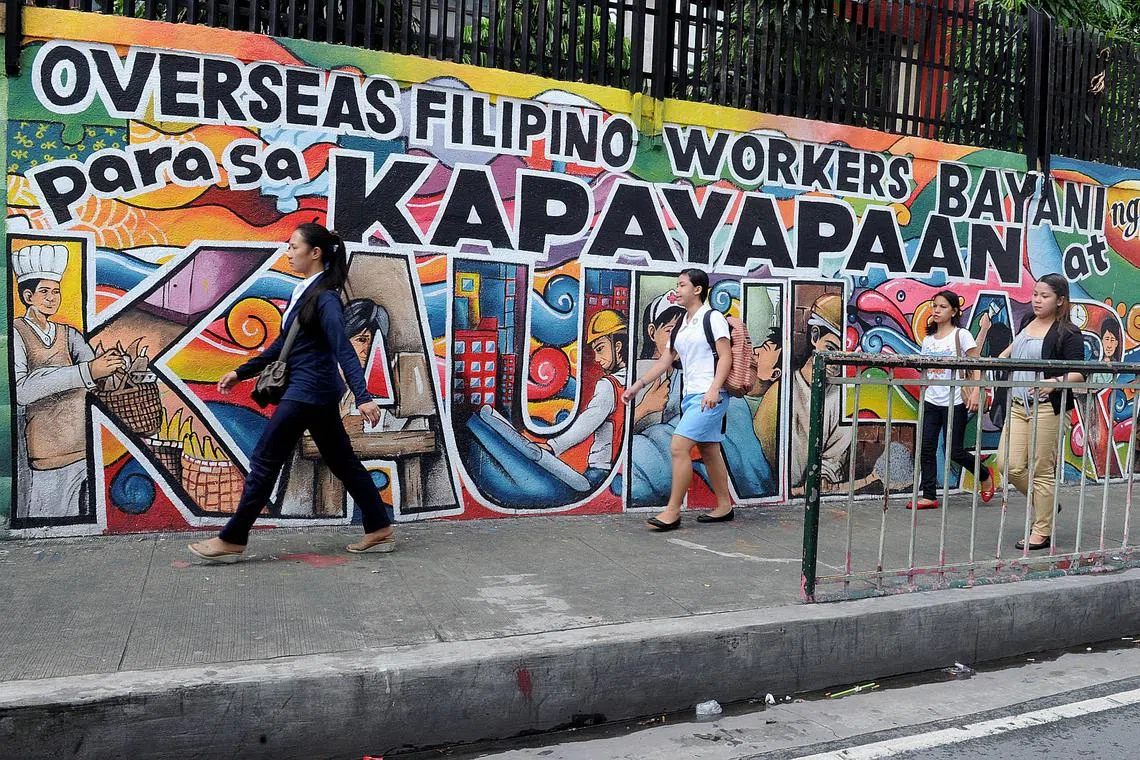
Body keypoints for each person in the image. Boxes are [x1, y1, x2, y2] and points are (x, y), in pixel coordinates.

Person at [189, 223, 395, 561]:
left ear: (315, 253)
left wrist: (363, 395)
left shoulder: (326, 298)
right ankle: (378, 527)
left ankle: (233, 538)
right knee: (342, 461)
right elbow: (281, 347)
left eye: (293, 246)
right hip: (314, 392)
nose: (288, 252)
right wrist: (241, 372)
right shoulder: (307, 292)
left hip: (307, 392)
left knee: (265, 461)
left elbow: (342, 347)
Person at [11, 243, 127, 520]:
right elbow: (21, 389)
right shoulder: (17, 332)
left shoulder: (69, 335)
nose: (52, 298)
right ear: (28, 296)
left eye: (56, 291)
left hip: (83, 449)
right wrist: (86, 372)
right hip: (46, 455)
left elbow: (95, 378)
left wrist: (114, 369)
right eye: (44, 292)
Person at [623, 268, 734, 530]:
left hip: (710, 397)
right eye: (677, 284)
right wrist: (638, 385)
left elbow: (725, 356)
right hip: (691, 396)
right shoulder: (682, 324)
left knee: (678, 446)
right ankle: (724, 505)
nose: (677, 289)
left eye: (682, 285)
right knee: (709, 449)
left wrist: (714, 389)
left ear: (697, 289)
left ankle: (672, 511)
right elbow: (665, 360)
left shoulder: (713, 318)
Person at [994, 274, 1084, 551]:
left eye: (1044, 296)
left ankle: (1041, 531)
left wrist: (1055, 382)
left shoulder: (1068, 333)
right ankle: (1046, 503)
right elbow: (1017, 347)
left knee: (1041, 470)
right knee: (1006, 464)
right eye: (1035, 294)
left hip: (1047, 408)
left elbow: (1079, 373)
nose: (1037, 300)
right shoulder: (1025, 322)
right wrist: (1003, 355)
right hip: (1018, 406)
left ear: (1060, 300)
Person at [910, 290, 995, 509]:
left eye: (942, 307)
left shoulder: (961, 335)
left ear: (954, 311)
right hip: (931, 400)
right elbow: (925, 370)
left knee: (955, 451)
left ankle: (984, 474)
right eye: (934, 305)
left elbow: (976, 364)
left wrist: (976, 391)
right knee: (926, 448)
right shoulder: (928, 340)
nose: (936, 310)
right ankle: (929, 495)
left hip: (954, 400)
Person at [539, 309, 627, 487]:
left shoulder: (609, 386)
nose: (596, 358)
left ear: (617, 346)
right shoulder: (637, 382)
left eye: (600, 348)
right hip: (620, 470)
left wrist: (553, 446)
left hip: (601, 471)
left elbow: (587, 422)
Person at [789, 293, 851, 496]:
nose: (835, 362)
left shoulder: (842, 399)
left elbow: (834, 460)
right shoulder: (784, 391)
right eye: (831, 349)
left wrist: (823, 477)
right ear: (815, 336)